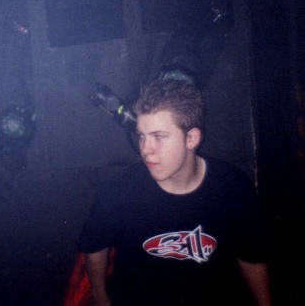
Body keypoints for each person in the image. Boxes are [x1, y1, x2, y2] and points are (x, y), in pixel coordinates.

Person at [78, 78, 273, 305]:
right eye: (141, 136)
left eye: (159, 137)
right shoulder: (117, 190)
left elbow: (251, 256)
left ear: (191, 138)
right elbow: (95, 247)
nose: (145, 149)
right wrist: (100, 298)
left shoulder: (233, 187)